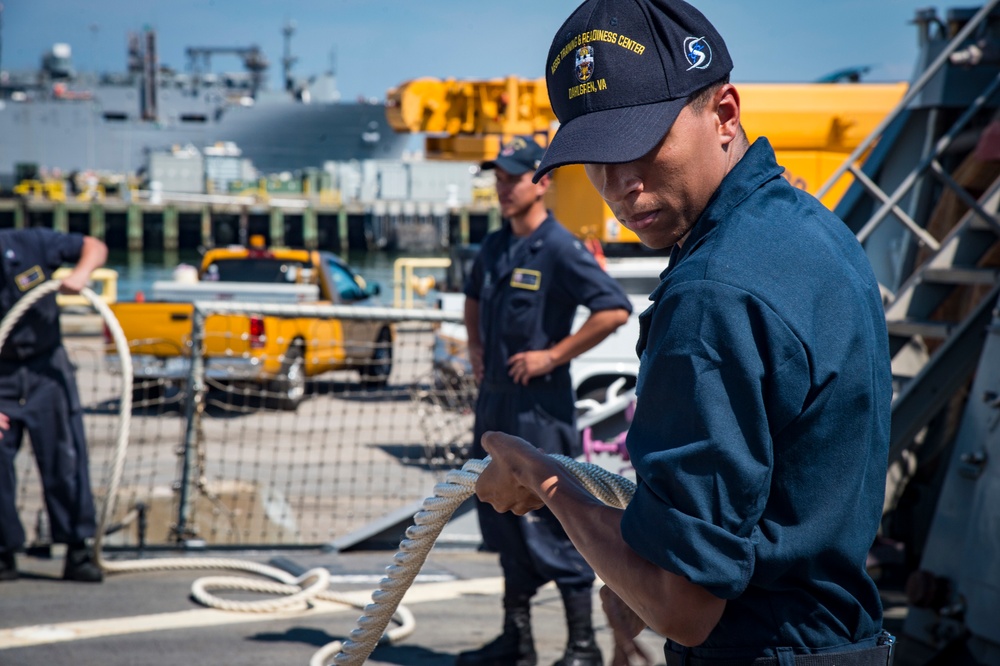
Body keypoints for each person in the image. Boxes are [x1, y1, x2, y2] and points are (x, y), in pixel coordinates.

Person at [474, 1, 895, 665]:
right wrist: (628, 559)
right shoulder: (812, 231)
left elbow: (683, 606)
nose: (621, 186)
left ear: (724, 114)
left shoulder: (711, 291)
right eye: (597, 157)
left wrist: (545, 477)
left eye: (643, 144)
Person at [460, 136, 633, 666]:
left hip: (539, 410)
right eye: (499, 177)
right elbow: (472, 298)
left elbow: (613, 309)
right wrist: (475, 348)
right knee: (503, 521)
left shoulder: (559, 248)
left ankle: (582, 646)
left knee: (556, 525)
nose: (503, 187)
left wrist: (551, 357)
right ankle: (517, 643)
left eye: (514, 177)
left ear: (543, 182)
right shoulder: (493, 247)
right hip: (494, 406)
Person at [0, 227, 109, 583]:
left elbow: (93, 246)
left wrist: (81, 274)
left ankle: (77, 547)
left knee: (65, 458)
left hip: (47, 368)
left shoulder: (30, 242)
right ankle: (4, 550)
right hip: (1, 375)